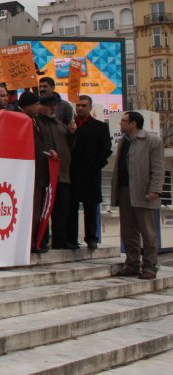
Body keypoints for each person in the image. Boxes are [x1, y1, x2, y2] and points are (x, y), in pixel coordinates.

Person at [111, 111, 165, 279]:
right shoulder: (123, 141)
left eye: (123, 121)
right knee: (128, 231)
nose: (121, 124)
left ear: (133, 124)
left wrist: (155, 189)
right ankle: (132, 264)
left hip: (144, 192)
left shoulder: (152, 140)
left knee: (147, 232)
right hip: (125, 190)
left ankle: (150, 266)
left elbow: (158, 168)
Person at [69, 95, 112, 249]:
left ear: (90, 108)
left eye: (83, 105)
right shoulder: (70, 126)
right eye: (78, 105)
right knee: (70, 207)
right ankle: (71, 239)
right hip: (71, 173)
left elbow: (106, 151)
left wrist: (94, 166)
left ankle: (91, 238)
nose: (80, 108)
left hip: (91, 174)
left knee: (91, 207)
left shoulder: (100, 127)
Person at [39, 93, 76, 249]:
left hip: (62, 174)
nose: (53, 108)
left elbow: (69, 145)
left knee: (61, 210)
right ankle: (42, 239)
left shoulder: (60, 124)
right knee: (44, 209)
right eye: (50, 105)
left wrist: (72, 134)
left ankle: (60, 240)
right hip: (45, 174)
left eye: (54, 105)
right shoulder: (37, 123)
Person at [17, 91, 53, 254]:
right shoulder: (19, 119)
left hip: (38, 171)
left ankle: (33, 242)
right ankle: (27, 243)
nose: (39, 107)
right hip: (27, 172)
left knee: (36, 210)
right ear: (27, 105)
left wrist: (47, 152)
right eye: (36, 104)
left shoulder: (35, 121)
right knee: (28, 210)